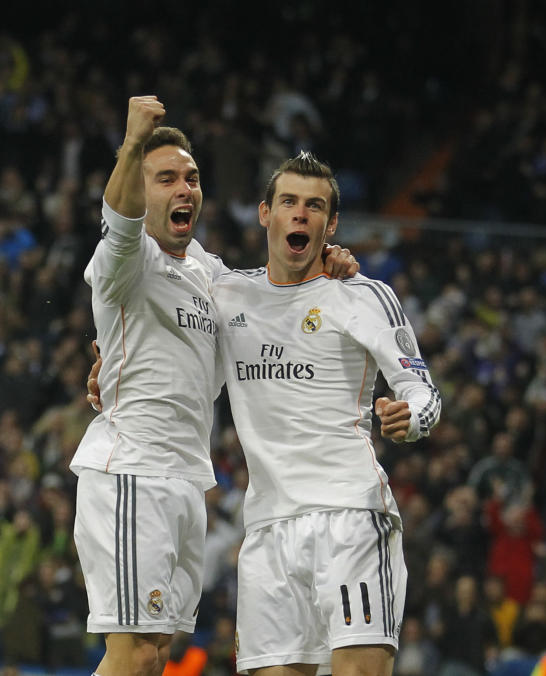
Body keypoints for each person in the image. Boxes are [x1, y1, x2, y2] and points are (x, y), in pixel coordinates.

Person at [72, 96, 357, 676]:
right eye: (166, 179)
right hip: (132, 470)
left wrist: (329, 264)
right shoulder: (127, 259)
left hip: (184, 479)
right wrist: (131, 145)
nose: (184, 189)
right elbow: (118, 221)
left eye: (192, 178)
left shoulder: (207, 271)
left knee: (155, 654)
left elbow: (267, 295)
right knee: (129, 653)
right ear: (140, 188)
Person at [211, 152, 441, 675]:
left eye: (314, 206)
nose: (300, 214)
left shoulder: (361, 295)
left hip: (351, 518)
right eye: (289, 202)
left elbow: (422, 388)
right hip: (268, 529)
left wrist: (412, 418)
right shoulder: (226, 295)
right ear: (265, 213)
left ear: (330, 224)